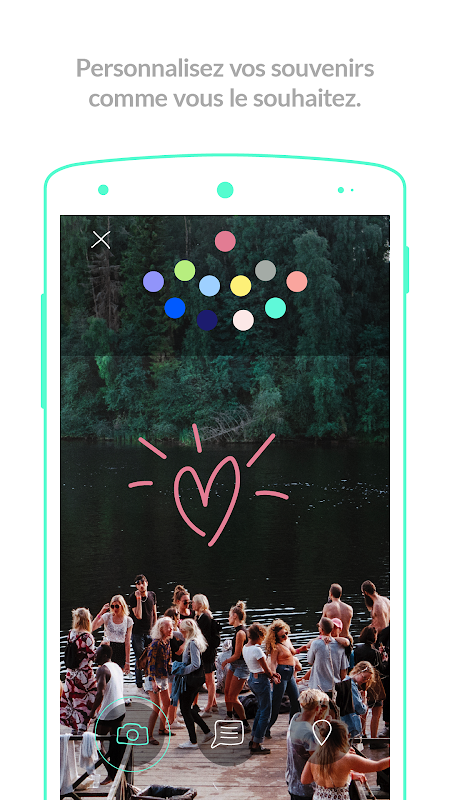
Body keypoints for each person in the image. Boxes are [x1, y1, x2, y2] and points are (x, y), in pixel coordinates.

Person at [301, 719, 390, 799]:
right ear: (344, 737)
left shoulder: (315, 756)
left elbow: (305, 780)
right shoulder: (347, 759)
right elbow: (378, 766)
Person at [86, 644, 126, 786]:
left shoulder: (102, 669)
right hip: (120, 710)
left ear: (104, 656)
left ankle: (111, 773)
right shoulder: (116, 666)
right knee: (114, 743)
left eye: (96, 654)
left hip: (109, 713)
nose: (94, 656)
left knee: (96, 742)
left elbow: (100, 693)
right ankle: (116, 774)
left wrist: (91, 713)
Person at [243, 622, 281, 754]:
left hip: (252, 679)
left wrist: (271, 674)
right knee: (266, 713)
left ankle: (253, 738)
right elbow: (266, 669)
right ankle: (256, 744)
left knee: (260, 710)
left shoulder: (245, 647)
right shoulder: (257, 650)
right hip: (261, 681)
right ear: (259, 636)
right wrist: (273, 676)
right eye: (263, 637)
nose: (263, 640)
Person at [177, 618, 215, 749]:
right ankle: (207, 732)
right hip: (197, 679)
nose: (181, 633)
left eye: (182, 631)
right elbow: (178, 635)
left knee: (184, 709)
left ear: (187, 631)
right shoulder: (196, 639)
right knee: (188, 708)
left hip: (191, 680)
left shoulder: (192, 643)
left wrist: (182, 670)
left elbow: (195, 664)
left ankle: (193, 741)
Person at [286, 689, 330, 798]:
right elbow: (321, 762)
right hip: (306, 789)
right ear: (317, 708)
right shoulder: (309, 734)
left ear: (301, 704)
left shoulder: (296, 718)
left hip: (292, 781)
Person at [60, 607, 97, 733]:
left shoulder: (71, 634)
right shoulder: (88, 637)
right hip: (84, 675)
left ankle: (74, 727)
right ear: (87, 620)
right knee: (89, 698)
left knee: (74, 699)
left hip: (70, 674)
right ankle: (82, 726)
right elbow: (92, 656)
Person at [265, 619, 301, 739]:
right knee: (276, 702)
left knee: (296, 701)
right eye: (282, 636)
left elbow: (293, 652)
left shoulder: (287, 640)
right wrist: (273, 676)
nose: (285, 636)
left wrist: (305, 647)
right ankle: (266, 727)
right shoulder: (275, 646)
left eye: (286, 633)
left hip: (290, 674)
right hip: (282, 673)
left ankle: (292, 726)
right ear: (276, 637)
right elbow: (273, 663)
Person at [143, 616, 173, 744]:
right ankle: (149, 736)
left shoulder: (167, 642)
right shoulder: (155, 644)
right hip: (153, 678)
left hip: (163, 677)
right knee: (156, 708)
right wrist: (153, 682)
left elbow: (168, 662)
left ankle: (162, 728)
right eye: (168, 627)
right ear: (161, 629)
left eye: (171, 627)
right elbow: (151, 664)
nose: (171, 629)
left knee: (167, 703)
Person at [222, 601, 251, 733]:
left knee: (233, 697)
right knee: (227, 691)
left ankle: (245, 724)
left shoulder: (241, 633)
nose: (228, 618)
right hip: (234, 665)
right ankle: (229, 716)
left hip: (241, 666)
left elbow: (237, 654)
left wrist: (225, 661)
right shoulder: (237, 631)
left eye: (229, 616)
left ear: (234, 616)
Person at [354, 626, 387, 739]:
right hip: (373, 684)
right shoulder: (375, 652)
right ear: (373, 637)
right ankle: (373, 738)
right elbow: (381, 669)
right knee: (377, 710)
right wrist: (384, 659)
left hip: (360, 683)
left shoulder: (357, 650)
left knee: (363, 708)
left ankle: (363, 734)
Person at [128, 574, 157, 692]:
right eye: (138, 584)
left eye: (143, 583)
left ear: (147, 583)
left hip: (150, 632)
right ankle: (139, 686)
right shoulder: (133, 597)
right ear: (136, 586)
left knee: (152, 657)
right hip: (138, 633)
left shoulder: (152, 595)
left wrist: (155, 630)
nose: (141, 585)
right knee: (139, 658)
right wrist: (139, 599)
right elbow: (138, 615)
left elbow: (154, 613)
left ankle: (151, 682)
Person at [191, 593, 219, 715]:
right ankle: (214, 704)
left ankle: (208, 707)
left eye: (193, 602)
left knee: (209, 679)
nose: (192, 604)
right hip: (206, 652)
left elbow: (203, 636)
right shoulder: (200, 616)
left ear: (199, 604)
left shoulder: (204, 618)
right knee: (209, 679)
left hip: (207, 653)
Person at [92, 595, 133, 672]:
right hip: (107, 647)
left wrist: (127, 662)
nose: (114, 609)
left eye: (117, 606)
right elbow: (92, 628)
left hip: (120, 649)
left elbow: (127, 642)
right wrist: (101, 612)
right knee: (105, 673)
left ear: (122, 606)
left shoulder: (128, 620)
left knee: (118, 674)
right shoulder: (107, 616)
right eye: (112, 606)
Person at [307, 618, 348, 695]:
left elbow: (310, 661)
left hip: (318, 687)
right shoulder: (340, 646)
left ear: (321, 630)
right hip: (335, 687)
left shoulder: (315, 644)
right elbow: (343, 670)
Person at [164, 606, 185, 730]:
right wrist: (185, 643)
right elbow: (177, 651)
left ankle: (174, 716)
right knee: (174, 695)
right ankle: (171, 721)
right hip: (173, 667)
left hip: (177, 666)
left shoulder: (175, 631)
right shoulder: (171, 635)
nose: (179, 616)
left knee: (177, 694)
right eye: (177, 614)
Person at [340, 662, 375, 738]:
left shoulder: (346, 681)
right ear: (358, 671)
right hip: (351, 726)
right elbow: (360, 709)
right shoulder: (351, 686)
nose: (365, 681)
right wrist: (364, 700)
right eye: (364, 677)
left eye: (368, 679)